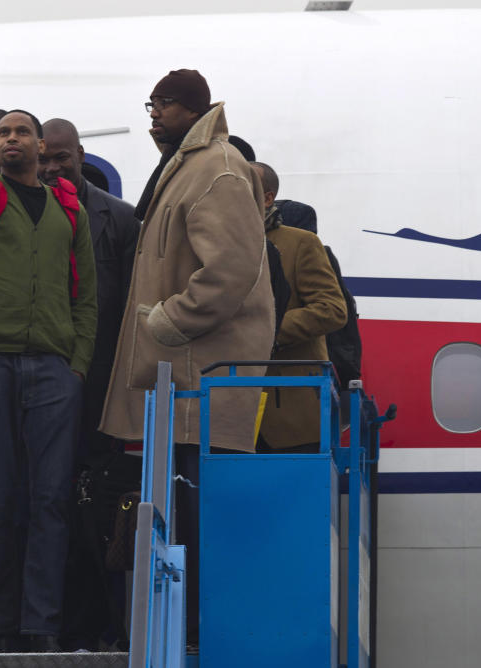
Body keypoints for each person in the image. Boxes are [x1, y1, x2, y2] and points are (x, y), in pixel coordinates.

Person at [99, 69, 275, 649]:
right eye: (151, 103)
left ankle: (194, 636)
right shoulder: (187, 165)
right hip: (179, 387)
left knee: (194, 528)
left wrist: (170, 321)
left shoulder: (217, 169)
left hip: (198, 381)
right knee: (179, 523)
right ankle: (183, 632)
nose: (155, 114)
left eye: (167, 105)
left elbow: (228, 270)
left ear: (196, 110)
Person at [0, 39, 97, 653]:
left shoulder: (71, 212)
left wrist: (78, 364)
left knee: (50, 499)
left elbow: (86, 296)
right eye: (3, 133)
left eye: (23, 132)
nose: (12, 139)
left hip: (53, 369)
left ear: (42, 147)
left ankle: (39, 624)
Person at [38, 118, 140, 651]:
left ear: (80, 154)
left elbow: (127, 313)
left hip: (99, 394)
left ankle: (99, 623)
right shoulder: (24, 214)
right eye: (45, 159)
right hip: (41, 388)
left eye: (61, 156)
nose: (54, 167)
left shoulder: (120, 220)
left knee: (94, 512)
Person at [250, 161, 347, 451]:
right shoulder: (214, 246)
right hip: (228, 412)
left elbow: (332, 309)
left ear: (268, 198)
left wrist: (265, 331)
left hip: (290, 415)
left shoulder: (301, 243)